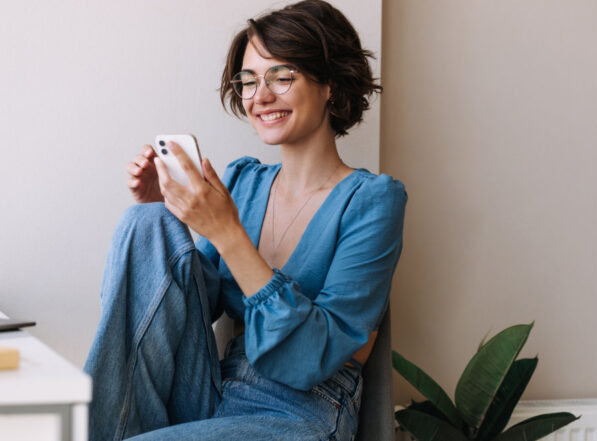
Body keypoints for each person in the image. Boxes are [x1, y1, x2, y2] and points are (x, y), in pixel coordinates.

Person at [83, 1, 407, 440]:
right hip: (214, 386)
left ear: (330, 83)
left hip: (301, 407)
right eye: (249, 81)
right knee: (146, 225)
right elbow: (192, 304)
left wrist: (226, 231)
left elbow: (310, 358)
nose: (260, 97)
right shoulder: (243, 181)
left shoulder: (372, 201)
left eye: (282, 76)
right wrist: (164, 214)